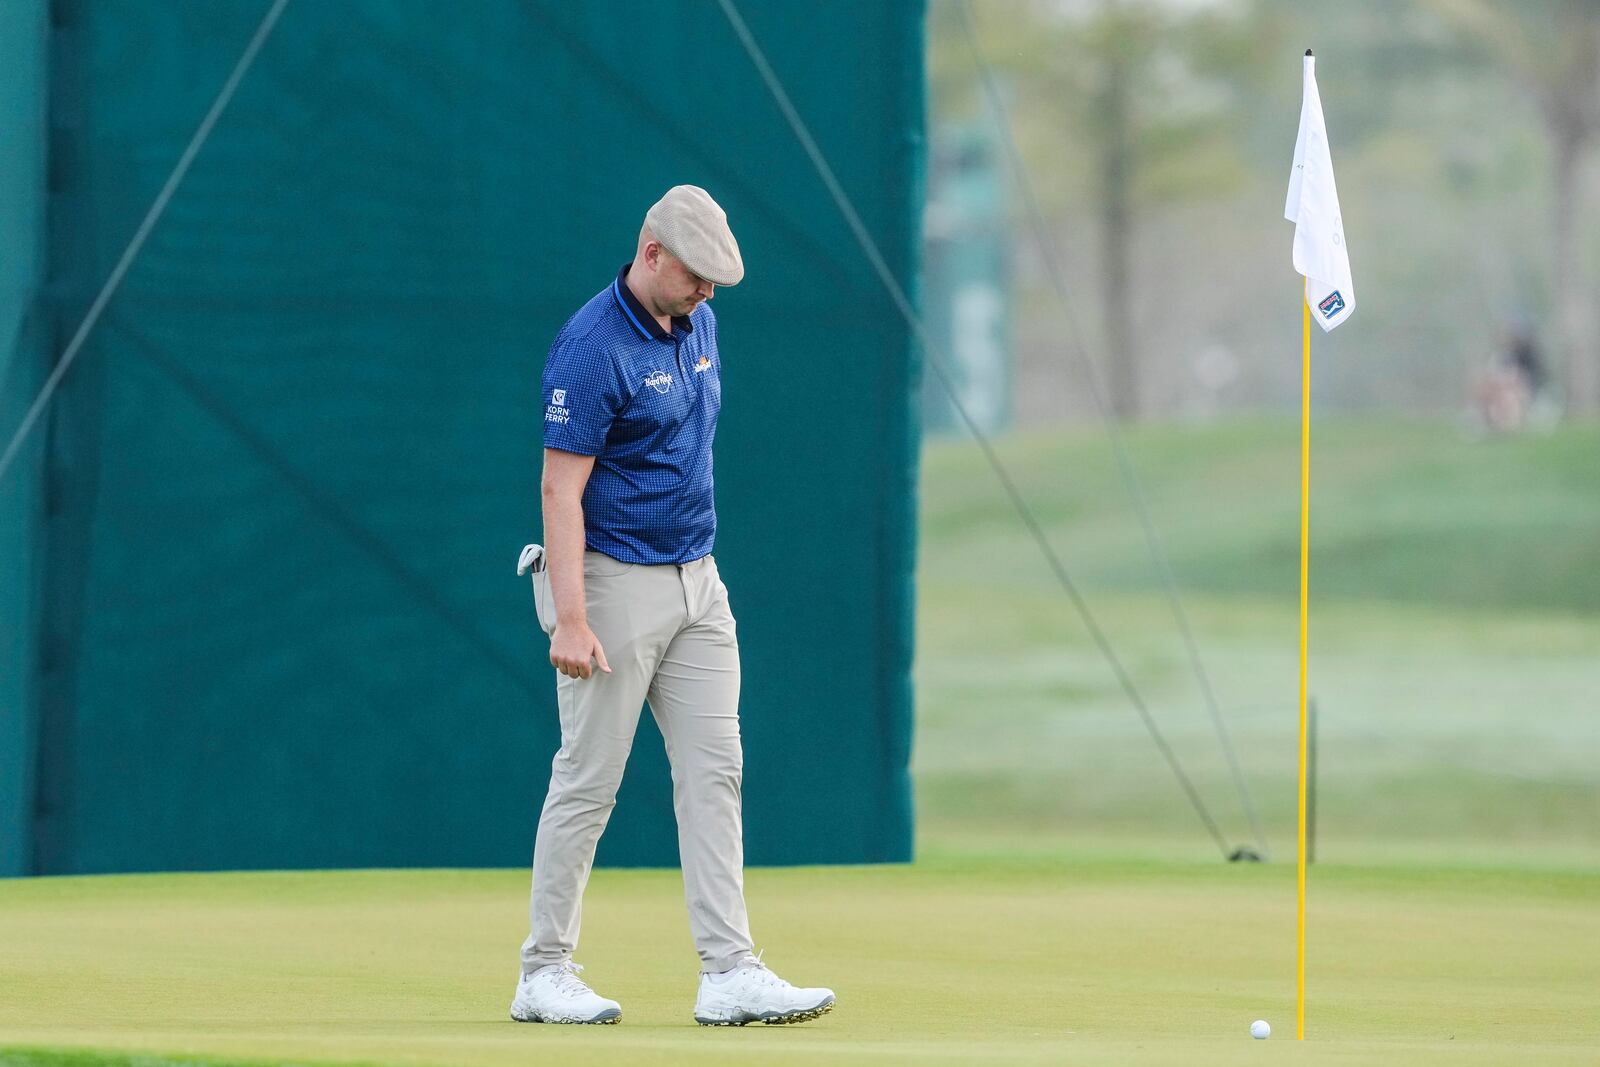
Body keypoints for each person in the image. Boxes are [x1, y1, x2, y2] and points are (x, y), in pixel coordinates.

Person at [510, 186, 835, 1027]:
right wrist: (573, 616)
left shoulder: (700, 322)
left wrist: (700, 578)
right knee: (589, 780)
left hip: (700, 582)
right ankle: (543, 971)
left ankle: (729, 970)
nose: (709, 292)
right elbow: (560, 487)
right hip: (614, 582)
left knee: (716, 771)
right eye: (697, 275)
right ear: (651, 252)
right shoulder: (591, 346)